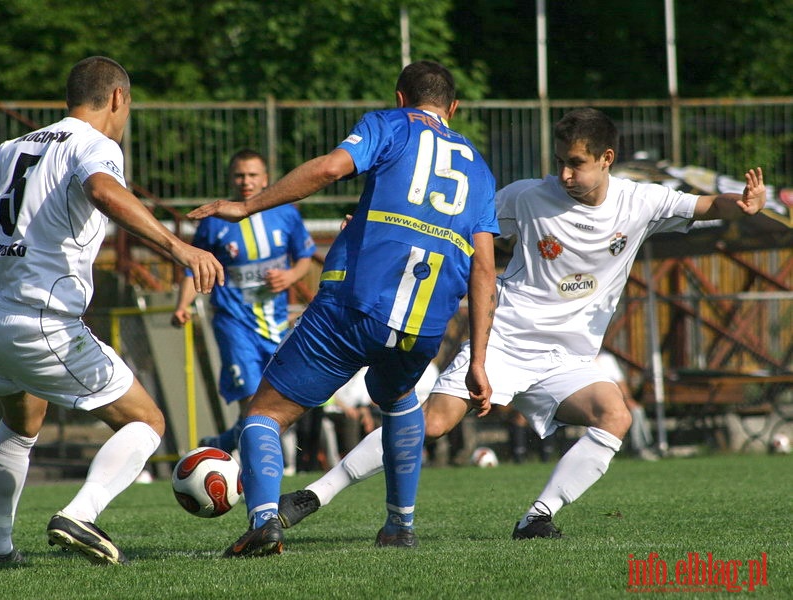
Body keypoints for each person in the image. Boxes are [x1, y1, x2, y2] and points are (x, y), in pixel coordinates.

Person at [276, 107, 766, 540]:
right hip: (505, 341)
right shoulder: (526, 197)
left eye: (576, 163)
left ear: (607, 158)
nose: (565, 174)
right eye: (560, 162)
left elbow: (703, 206)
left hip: (567, 358)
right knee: (434, 422)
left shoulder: (641, 201)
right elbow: (452, 223)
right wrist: (370, 226)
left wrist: (740, 203)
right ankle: (315, 494)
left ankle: (537, 516)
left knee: (615, 414)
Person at [188, 60, 499, 556]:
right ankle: (400, 526)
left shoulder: (388, 124)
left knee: (265, 414)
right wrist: (478, 360)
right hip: (425, 322)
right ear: (453, 108)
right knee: (397, 399)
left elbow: (332, 168)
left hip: (355, 306)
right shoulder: (480, 170)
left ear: (401, 99)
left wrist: (246, 206)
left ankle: (264, 521)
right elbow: (484, 270)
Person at [0, 56, 223, 567]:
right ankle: (80, 515)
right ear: (117, 99)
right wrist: (180, 249)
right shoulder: (94, 145)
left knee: (22, 421)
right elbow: (104, 192)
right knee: (147, 422)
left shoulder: (16, 145)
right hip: (42, 320)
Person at [171, 149, 316, 454]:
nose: (246, 181)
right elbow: (192, 267)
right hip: (234, 323)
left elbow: (304, 259)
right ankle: (249, 477)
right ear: (231, 178)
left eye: (252, 175)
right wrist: (182, 305)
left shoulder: (286, 213)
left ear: (265, 179)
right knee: (250, 402)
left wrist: (290, 277)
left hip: (276, 324)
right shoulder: (215, 222)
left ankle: (219, 446)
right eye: (240, 175)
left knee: (274, 406)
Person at [595, 350, 658, 461]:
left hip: (614, 400)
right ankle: (603, 453)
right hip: (595, 402)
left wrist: (628, 399)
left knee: (637, 410)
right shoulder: (580, 359)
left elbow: (620, 381)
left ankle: (641, 447)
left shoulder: (606, 358)